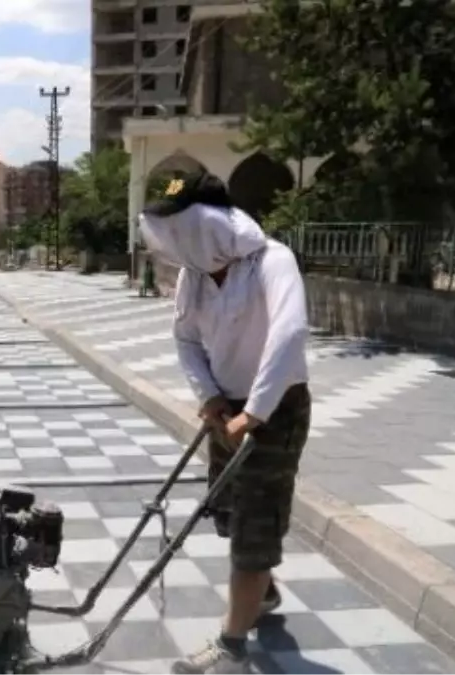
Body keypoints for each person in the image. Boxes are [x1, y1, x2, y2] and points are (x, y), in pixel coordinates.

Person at [138, 171, 312, 675]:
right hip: (226, 408)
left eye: (181, 229)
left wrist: (253, 412)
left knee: (255, 522)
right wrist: (210, 396)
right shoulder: (195, 276)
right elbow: (187, 340)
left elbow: (289, 332)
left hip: (275, 409)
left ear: (211, 223)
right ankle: (264, 591)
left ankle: (232, 646)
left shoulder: (271, 260)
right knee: (228, 511)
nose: (174, 243)